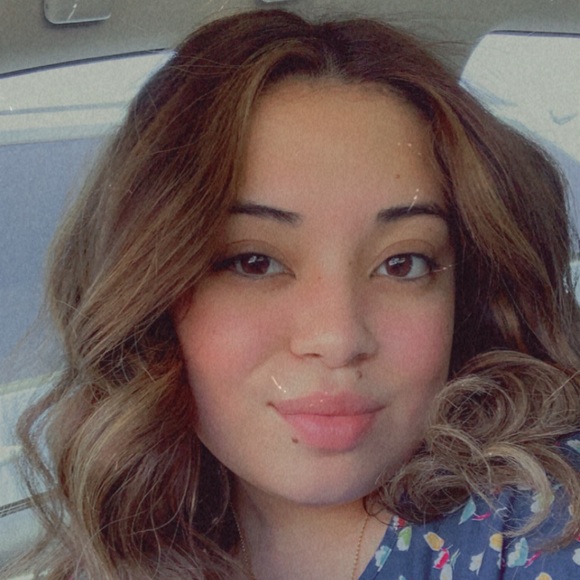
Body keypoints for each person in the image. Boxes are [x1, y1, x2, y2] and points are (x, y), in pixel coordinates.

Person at [10, 8, 580, 579]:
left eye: (402, 263)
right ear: (151, 302)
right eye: (254, 263)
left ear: (466, 297)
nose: (338, 338)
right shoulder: (130, 540)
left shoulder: (543, 527)